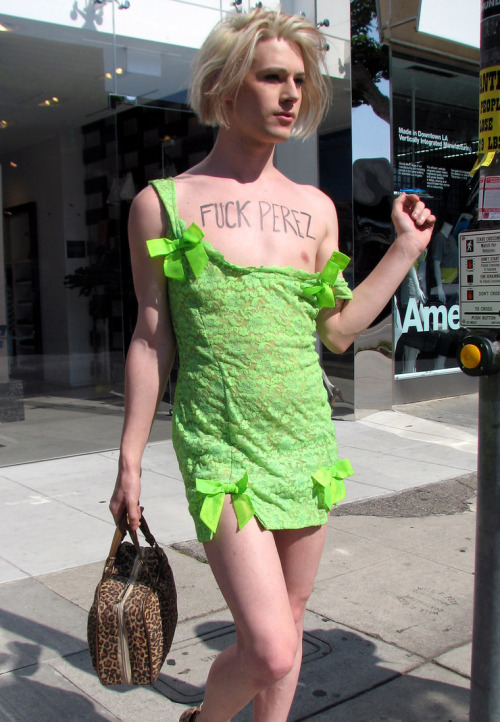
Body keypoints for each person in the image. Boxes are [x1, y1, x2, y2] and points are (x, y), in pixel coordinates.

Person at [109, 9, 435, 721]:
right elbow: (151, 338)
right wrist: (131, 456)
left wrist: (404, 253)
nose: (291, 94)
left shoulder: (316, 209)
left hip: (304, 438)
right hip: (220, 444)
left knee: (290, 617)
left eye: (299, 80)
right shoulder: (161, 205)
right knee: (272, 648)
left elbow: (340, 331)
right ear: (227, 85)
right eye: (272, 77)